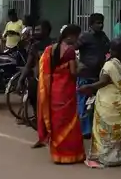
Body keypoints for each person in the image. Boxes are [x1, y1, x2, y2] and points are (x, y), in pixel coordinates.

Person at [36, 24, 85, 164]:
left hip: (54, 89)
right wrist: (81, 68)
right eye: (76, 37)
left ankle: (57, 154)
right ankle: (70, 154)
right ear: (70, 36)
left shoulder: (51, 49)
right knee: (69, 121)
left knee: (57, 121)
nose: (77, 40)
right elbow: (73, 72)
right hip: (66, 90)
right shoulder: (70, 51)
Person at [79, 39, 121, 168]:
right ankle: (118, 157)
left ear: (112, 50)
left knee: (105, 130)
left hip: (107, 101)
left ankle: (105, 157)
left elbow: (103, 81)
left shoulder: (110, 65)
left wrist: (89, 87)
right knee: (118, 131)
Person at [76, 13, 110, 138]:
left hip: (99, 75)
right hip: (85, 75)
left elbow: (109, 49)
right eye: (97, 23)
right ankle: (85, 131)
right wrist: (77, 63)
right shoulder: (84, 36)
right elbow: (71, 49)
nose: (100, 25)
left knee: (99, 103)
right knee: (83, 104)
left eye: (101, 23)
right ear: (91, 24)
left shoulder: (103, 36)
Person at [17, 20, 53, 131]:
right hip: (39, 79)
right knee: (34, 100)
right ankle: (39, 121)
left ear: (46, 30)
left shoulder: (54, 45)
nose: (35, 32)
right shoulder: (35, 46)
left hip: (53, 80)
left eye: (38, 30)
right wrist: (21, 79)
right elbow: (28, 65)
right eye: (35, 30)